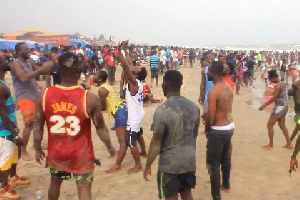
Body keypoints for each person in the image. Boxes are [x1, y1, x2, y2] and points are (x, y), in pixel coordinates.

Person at [33, 53, 115, 200]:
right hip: (81, 155)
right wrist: (109, 146)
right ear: (78, 71)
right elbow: (100, 128)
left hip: (57, 154)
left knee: (54, 184)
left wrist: (38, 148)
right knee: (84, 190)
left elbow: (37, 125)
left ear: (58, 70)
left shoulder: (44, 95)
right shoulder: (89, 98)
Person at [143, 70, 200, 200]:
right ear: (180, 84)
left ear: (165, 85)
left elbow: (156, 143)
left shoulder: (162, 110)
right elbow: (194, 135)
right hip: (189, 161)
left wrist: (148, 165)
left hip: (169, 165)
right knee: (187, 193)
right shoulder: (194, 107)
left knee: (170, 196)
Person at [10, 43, 55, 160]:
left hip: (34, 94)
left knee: (39, 120)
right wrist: (40, 69)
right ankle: (23, 151)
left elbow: (40, 71)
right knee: (29, 124)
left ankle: (36, 145)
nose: (28, 51)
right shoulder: (16, 64)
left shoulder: (29, 62)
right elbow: (24, 78)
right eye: (26, 49)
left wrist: (49, 64)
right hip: (24, 96)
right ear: (19, 52)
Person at [0, 55, 31, 200]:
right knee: (5, 160)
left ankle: (12, 178)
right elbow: (2, 113)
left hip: (9, 127)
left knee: (13, 156)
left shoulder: (3, 83)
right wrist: (15, 133)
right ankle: (2, 189)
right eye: (5, 60)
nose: (8, 62)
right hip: (4, 130)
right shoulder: (0, 86)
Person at [206, 61, 234, 200]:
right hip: (229, 126)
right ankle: (226, 185)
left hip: (218, 128)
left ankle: (216, 196)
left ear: (215, 73)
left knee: (214, 164)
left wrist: (207, 130)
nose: (207, 73)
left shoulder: (213, 91)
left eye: (209, 71)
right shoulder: (228, 86)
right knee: (226, 157)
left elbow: (211, 116)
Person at [118, 41, 147, 173]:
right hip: (139, 112)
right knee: (138, 133)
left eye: (137, 68)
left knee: (131, 140)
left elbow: (125, 66)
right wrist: (125, 49)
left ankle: (138, 165)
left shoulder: (134, 82)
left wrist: (119, 52)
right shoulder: (138, 81)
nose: (135, 66)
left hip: (134, 116)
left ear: (136, 74)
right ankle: (144, 152)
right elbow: (129, 64)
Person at [93, 71, 128, 173]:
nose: (93, 77)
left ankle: (117, 165)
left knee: (122, 141)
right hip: (122, 109)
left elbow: (103, 107)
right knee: (130, 136)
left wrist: (95, 106)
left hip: (118, 113)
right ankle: (142, 152)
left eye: (95, 76)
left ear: (99, 79)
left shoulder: (101, 90)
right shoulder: (107, 86)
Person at [259, 70, 292, 149]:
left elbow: (274, 97)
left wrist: (264, 105)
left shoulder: (277, 85)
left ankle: (271, 145)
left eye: (270, 78)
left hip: (279, 107)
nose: (269, 80)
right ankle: (289, 143)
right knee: (282, 125)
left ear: (273, 77)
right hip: (285, 106)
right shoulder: (283, 83)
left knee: (270, 125)